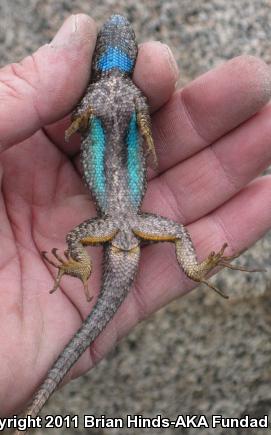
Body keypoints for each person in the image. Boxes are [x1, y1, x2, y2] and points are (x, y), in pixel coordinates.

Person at [1, 14, 270, 415]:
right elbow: (144, 133)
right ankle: (192, 268)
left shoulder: (92, 97)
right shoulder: (136, 97)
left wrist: (84, 119)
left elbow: (76, 128)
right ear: (130, 55)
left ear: (96, 59)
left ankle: (81, 266)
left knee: (82, 238)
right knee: (178, 231)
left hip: (113, 223)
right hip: (130, 218)